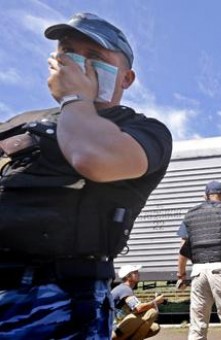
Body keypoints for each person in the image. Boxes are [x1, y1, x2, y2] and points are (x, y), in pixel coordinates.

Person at [0, 12, 172, 338]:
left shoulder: (143, 131)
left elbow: (92, 158)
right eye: (69, 53)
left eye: (94, 57)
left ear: (127, 78)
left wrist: (75, 98)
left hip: (57, 299)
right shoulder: (21, 121)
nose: (79, 65)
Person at [176, 180, 221, 340]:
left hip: (198, 272)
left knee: (197, 326)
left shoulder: (190, 213)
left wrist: (181, 275)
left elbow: (183, 249)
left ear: (205, 196)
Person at [111, 265, 165, 340]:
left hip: (117, 327)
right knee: (152, 312)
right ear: (128, 277)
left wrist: (153, 302)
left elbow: (135, 308)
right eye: (135, 272)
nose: (138, 274)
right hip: (112, 330)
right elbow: (139, 308)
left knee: (155, 327)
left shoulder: (125, 289)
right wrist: (155, 302)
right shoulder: (125, 289)